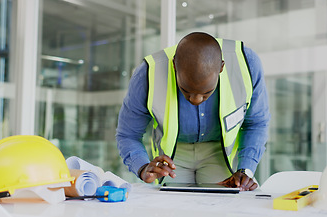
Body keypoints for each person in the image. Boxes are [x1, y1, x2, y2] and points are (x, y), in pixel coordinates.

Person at [116, 32, 270, 191]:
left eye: (206, 93)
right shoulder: (147, 73)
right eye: (186, 90)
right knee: (171, 211)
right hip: (174, 157)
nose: (195, 100)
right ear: (174, 65)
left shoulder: (246, 63)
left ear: (221, 68)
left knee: (222, 207)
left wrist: (246, 169)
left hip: (220, 152)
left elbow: (256, 123)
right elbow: (128, 134)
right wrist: (142, 167)